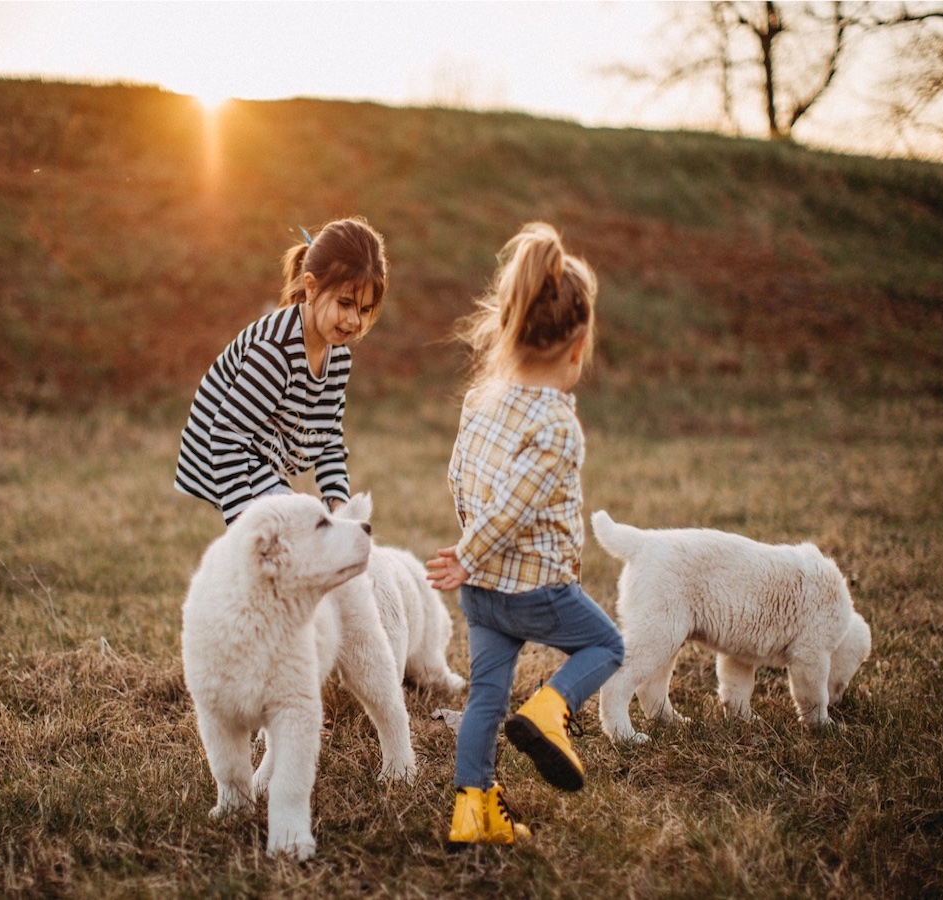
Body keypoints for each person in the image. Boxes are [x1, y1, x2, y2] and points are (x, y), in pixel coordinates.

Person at [426, 222, 624, 847]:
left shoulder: (482, 399)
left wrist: (468, 556)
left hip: (481, 592)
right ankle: (550, 710)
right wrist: (470, 551)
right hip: (535, 587)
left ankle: (472, 811)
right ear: (577, 347)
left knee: (485, 695)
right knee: (606, 648)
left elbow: (461, 476)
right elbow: (513, 506)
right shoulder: (558, 426)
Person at [175, 217, 388, 525]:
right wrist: (241, 524)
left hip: (256, 456)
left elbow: (328, 438)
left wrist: (339, 508)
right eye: (345, 303)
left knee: (312, 532)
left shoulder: (338, 356)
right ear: (312, 288)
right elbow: (226, 434)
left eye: (365, 310)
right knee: (298, 531)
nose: (355, 321)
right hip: (218, 454)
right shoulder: (276, 351)